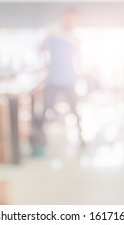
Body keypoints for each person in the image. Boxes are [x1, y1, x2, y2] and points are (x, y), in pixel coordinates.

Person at [41, 8, 84, 145]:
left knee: (75, 110)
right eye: (67, 18)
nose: (70, 21)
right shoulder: (53, 33)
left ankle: (81, 138)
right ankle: (39, 139)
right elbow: (42, 49)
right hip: (53, 79)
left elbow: (79, 58)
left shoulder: (75, 39)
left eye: (73, 19)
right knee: (45, 109)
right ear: (63, 17)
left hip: (69, 80)